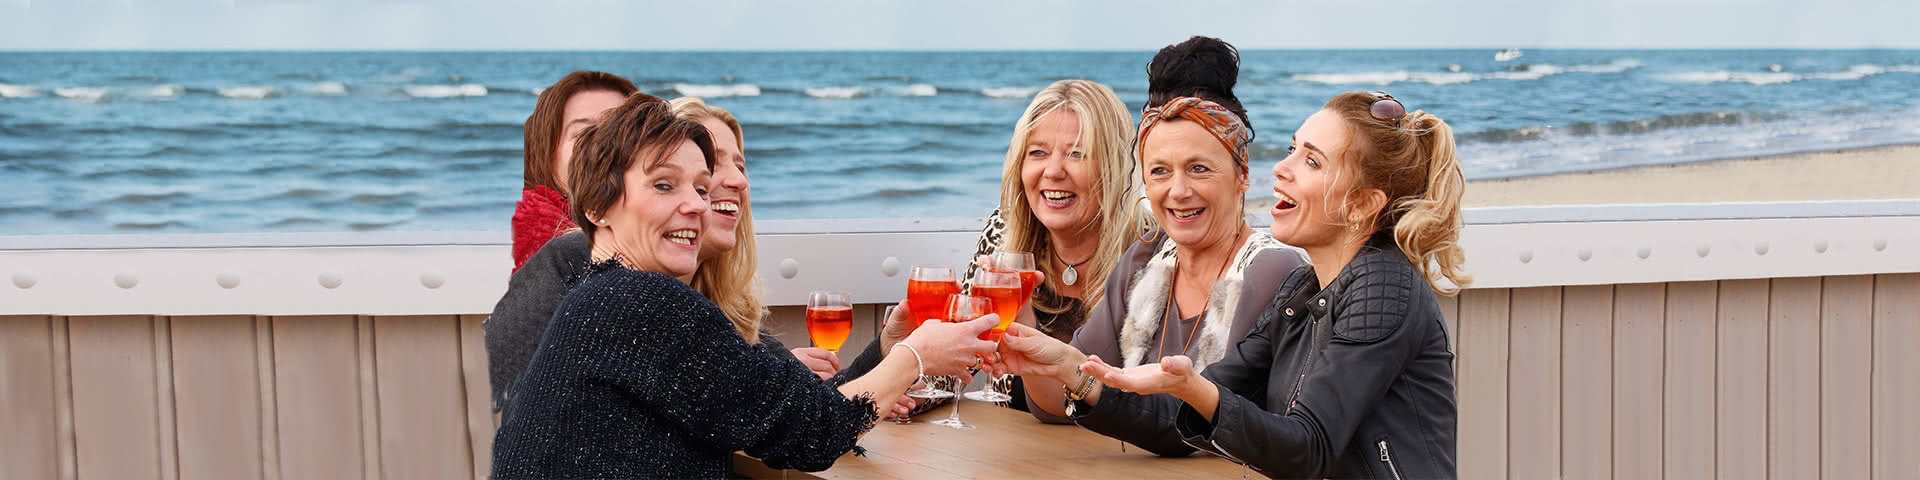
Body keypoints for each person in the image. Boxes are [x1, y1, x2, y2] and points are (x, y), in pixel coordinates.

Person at [491, 93, 1000, 478]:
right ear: (597, 207)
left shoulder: (600, 294)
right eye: (664, 184)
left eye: (700, 188)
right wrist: (916, 355)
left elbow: (788, 403)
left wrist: (890, 349)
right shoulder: (640, 300)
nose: (694, 203)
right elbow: (814, 433)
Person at [994, 91, 1468, 479]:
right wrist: (1073, 371)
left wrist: (1199, 392)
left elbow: (1310, 448)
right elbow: (1173, 428)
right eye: (1290, 150)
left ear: (1362, 204)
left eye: (1312, 162)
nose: (1281, 169)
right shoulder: (1302, 291)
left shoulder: (1385, 288)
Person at [1016, 36, 1309, 424]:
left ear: (1242, 175)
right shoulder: (1144, 257)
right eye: (1159, 171)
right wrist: (1026, 335)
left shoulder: (1272, 270)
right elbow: (1062, 406)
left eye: (1199, 169)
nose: (1178, 191)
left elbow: (1190, 422)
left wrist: (1085, 383)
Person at [485, 96, 840, 415]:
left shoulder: (717, 295)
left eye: (741, 166)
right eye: (714, 165)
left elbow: (813, 406)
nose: (738, 181)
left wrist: (885, 348)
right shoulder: (578, 261)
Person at [511, 71, 638, 271]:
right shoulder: (547, 240)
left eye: (620, 131)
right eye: (583, 134)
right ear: (548, 152)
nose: (604, 145)